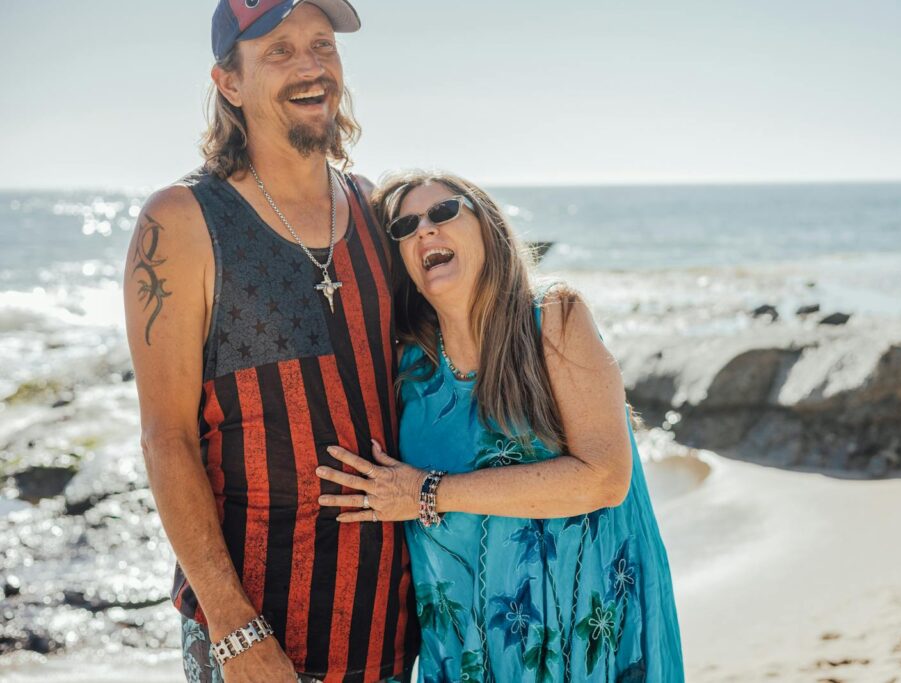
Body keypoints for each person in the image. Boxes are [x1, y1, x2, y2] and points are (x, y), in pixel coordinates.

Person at [123, 2, 418, 681]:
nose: (312, 65)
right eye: (279, 50)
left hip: (394, 636)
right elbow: (165, 438)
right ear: (229, 82)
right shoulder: (182, 220)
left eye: (322, 44)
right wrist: (235, 629)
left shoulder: (373, 208)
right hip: (260, 646)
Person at [315, 171, 685, 681]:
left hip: (579, 635)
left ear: (487, 226)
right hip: (465, 650)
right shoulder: (407, 371)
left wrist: (428, 492)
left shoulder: (553, 318)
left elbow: (605, 477)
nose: (425, 230)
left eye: (444, 212)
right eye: (404, 226)